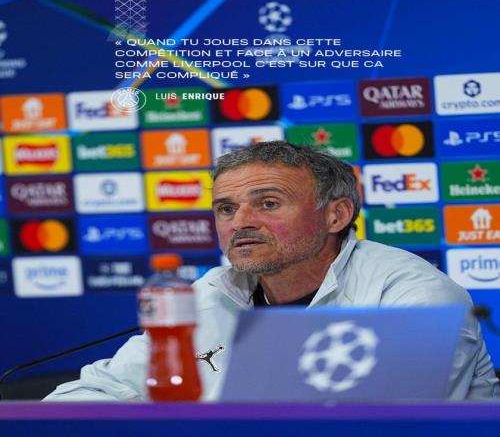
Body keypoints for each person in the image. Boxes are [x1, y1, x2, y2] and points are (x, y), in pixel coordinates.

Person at [44, 141, 499, 401]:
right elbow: (90, 394)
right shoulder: (210, 294)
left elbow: (385, 422)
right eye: (226, 208)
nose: (240, 222)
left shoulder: (412, 295)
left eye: (268, 203)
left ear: (336, 215)